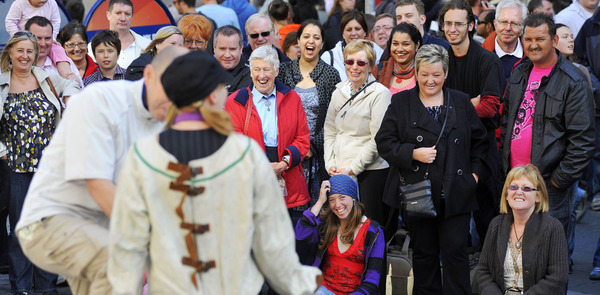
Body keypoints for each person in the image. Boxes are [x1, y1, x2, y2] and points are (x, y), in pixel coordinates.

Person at [108, 50, 322, 295]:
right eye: (222, 85)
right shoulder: (242, 152)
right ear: (211, 96)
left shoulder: (142, 153)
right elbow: (271, 241)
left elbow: (127, 239)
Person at [14, 46, 189, 295]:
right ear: (149, 75)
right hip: (49, 222)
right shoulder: (100, 99)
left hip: (104, 230)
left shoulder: (167, 126)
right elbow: (97, 184)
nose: (175, 102)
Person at [375, 44, 488, 295]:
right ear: (416, 73)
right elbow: (384, 141)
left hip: (456, 193)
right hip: (418, 194)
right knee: (424, 256)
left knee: (456, 255)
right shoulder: (401, 101)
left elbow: (481, 144)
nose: (430, 80)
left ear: (446, 73)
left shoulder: (460, 101)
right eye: (424, 74)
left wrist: (474, 178)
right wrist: (412, 153)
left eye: (436, 74)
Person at [501, 13, 595, 246]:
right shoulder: (519, 72)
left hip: (548, 184)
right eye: (528, 39)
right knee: (517, 251)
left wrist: (558, 180)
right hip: (515, 179)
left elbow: (583, 140)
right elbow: (507, 123)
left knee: (549, 255)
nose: (533, 45)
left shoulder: (573, 80)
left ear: (554, 40)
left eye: (540, 39)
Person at [1, 31, 81, 295]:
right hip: (16, 167)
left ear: (36, 55)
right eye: (20, 51)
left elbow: (72, 84)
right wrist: (2, 151)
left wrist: (69, 98)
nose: (25, 56)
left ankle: (46, 286)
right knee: (22, 228)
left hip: (49, 166)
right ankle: (21, 287)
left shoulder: (46, 77)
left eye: (30, 51)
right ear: (10, 53)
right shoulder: (1, 82)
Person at [440, 0, 504, 247]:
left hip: (480, 149)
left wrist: (451, 108)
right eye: (448, 23)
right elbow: (430, 106)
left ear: (471, 25)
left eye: (459, 23)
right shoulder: (440, 59)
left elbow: (489, 108)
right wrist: (469, 103)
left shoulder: (487, 60)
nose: (452, 28)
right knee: (453, 221)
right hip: (448, 151)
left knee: (487, 217)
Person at [225, 45, 311, 227]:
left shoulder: (292, 98)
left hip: (286, 173)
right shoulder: (235, 102)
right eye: (257, 69)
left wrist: (284, 163)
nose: (261, 75)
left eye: (267, 69)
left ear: (277, 71)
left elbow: (302, 138)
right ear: (250, 72)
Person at [324, 39, 391, 227]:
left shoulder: (380, 94)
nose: (354, 67)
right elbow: (330, 130)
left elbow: (377, 139)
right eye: (349, 61)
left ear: (370, 66)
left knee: (368, 231)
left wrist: (353, 168)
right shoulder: (339, 91)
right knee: (342, 228)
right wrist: (331, 164)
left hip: (369, 173)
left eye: (361, 62)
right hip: (339, 170)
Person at [477, 164, 569, 294]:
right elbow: (483, 270)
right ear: (506, 195)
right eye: (513, 187)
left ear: (538, 196)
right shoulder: (496, 225)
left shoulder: (552, 227)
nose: (518, 192)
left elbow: (557, 277)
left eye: (526, 188)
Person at [278, 19, 341, 203]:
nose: (310, 41)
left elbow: (333, 119)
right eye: (306, 36)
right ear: (298, 41)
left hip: (317, 154)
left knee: (316, 210)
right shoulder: (284, 71)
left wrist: (310, 147)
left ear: (322, 43)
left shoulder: (330, 75)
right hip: (287, 151)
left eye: (316, 37)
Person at [295, 174, 385, 294]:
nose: (337, 205)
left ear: (353, 198)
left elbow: (372, 281)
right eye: (332, 199)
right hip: (323, 289)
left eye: (342, 197)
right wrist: (320, 201)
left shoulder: (373, 231)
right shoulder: (326, 224)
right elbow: (301, 235)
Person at [574, 8, 600, 215]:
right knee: (597, 150)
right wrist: (596, 86)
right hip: (598, 102)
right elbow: (581, 60)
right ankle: (596, 192)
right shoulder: (591, 26)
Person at [321, 10, 384, 81]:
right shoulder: (329, 58)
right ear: (343, 34)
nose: (353, 33)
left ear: (365, 32)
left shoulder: (378, 53)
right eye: (349, 30)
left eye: (357, 29)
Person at [25, 16, 82, 85]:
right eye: (38, 38)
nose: (43, 44)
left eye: (47, 38)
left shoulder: (66, 63)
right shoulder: (18, 64)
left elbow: (79, 92)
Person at [481, 0, 527, 84]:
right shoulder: (480, 57)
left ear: (522, 28)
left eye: (514, 23)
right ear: (495, 24)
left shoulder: (532, 58)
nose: (508, 28)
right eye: (503, 22)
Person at [98, 0, 151, 69]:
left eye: (127, 14)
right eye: (118, 13)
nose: (123, 18)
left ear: (132, 16)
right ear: (108, 15)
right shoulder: (93, 47)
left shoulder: (147, 46)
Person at [372, 23, 422, 95]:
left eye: (405, 44)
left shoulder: (424, 71)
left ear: (417, 45)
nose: (400, 49)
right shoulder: (378, 71)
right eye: (395, 44)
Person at [213, 25, 252, 95]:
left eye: (232, 49)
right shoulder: (204, 71)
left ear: (241, 48)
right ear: (214, 48)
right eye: (222, 49)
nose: (227, 55)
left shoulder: (251, 73)